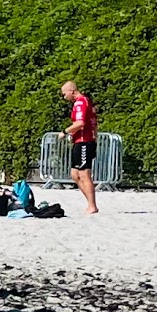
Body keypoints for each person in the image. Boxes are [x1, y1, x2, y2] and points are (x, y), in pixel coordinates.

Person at [61, 81, 99, 215]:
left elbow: (80, 123)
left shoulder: (80, 103)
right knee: (75, 174)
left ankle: (92, 205)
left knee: (84, 174)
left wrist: (65, 132)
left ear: (71, 91)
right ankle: (89, 203)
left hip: (84, 141)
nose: (64, 97)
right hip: (81, 141)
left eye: (64, 94)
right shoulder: (87, 102)